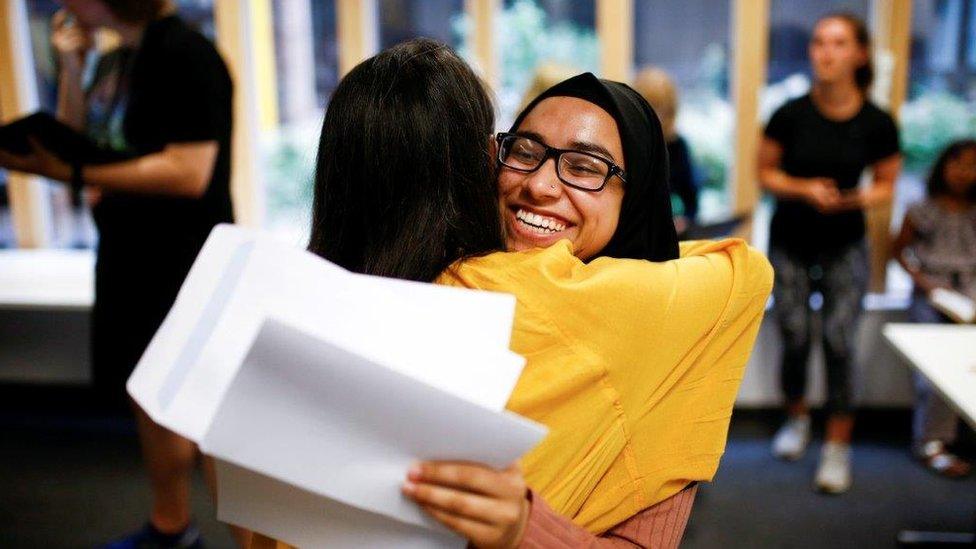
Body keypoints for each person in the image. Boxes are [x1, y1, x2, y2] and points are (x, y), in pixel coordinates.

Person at [252, 40, 772, 548]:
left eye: (585, 166)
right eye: (524, 152)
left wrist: (524, 529)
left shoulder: (667, 348)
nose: (541, 185)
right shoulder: (436, 290)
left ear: (635, 199)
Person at [0, 1, 234, 546]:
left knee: (203, 410)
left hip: (182, 260)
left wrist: (78, 171)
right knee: (148, 396)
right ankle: (172, 526)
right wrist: (73, 70)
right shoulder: (114, 61)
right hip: (127, 254)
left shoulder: (187, 55)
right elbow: (76, 138)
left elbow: (189, 171)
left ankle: (246, 538)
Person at [758, 13, 901, 494]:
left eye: (838, 43)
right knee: (795, 334)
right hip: (791, 239)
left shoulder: (878, 123)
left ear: (859, 54)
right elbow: (765, 174)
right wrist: (803, 189)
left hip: (845, 243)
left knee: (840, 341)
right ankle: (797, 419)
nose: (825, 52)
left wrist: (855, 198)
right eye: (819, 42)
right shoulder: (790, 113)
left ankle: (838, 448)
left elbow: (885, 184)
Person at [891, 140, 976, 478]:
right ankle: (931, 443)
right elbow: (899, 252)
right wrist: (925, 282)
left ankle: (960, 438)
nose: (963, 173)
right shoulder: (921, 209)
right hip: (932, 293)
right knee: (936, 374)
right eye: (958, 163)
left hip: (969, 292)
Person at [634, 66, 699, 235]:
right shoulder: (627, 145)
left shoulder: (678, 146)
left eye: (661, 108)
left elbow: (691, 200)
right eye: (650, 106)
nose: (656, 115)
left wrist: (684, 220)